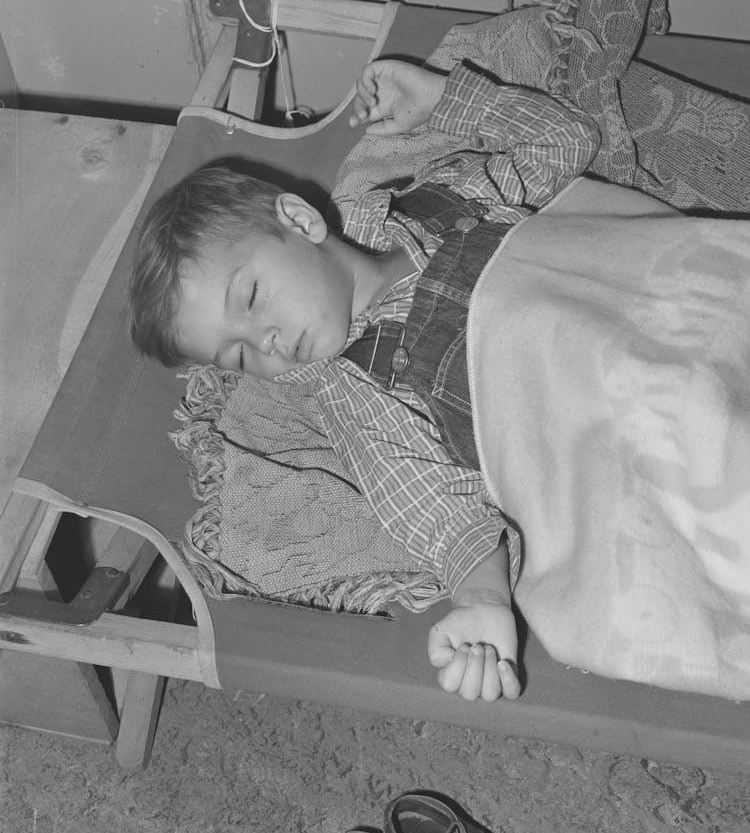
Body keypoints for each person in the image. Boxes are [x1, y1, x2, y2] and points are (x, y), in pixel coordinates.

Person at [129, 59, 601, 704]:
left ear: (299, 221)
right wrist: (485, 599)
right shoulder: (357, 388)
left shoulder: (447, 197)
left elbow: (566, 139)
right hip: (603, 416)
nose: (262, 342)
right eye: (236, 357)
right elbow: (430, 504)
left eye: (252, 297)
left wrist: (447, 98)